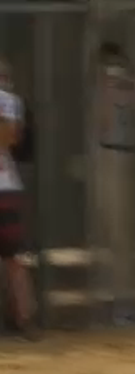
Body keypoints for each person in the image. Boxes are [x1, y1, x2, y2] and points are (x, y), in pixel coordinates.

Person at [91, 41, 135, 326]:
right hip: (106, 155)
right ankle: (107, 299)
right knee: (108, 231)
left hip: (128, 156)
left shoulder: (134, 90)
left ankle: (125, 300)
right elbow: (101, 124)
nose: (115, 74)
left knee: (126, 235)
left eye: (119, 68)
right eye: (109, 68)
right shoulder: (98, 93)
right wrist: (106, 92)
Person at [0, 60, 38, 340]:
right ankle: (22, 319)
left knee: (14, 256)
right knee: (14, 258)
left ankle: (23, 319)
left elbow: (12, 137)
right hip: (6, 187)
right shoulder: (9, 100)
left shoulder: (8, 100)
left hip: (5, 187)